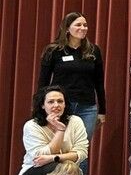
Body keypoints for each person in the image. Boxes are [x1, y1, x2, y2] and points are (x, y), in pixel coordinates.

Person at [19, 86, 93, 175]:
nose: (56, 105)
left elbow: (81, 153)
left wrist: (54, 158)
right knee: (54, 167)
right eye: (51, 102)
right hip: (34, 172)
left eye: (60, 101)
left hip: (68, 173)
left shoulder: (75, 121)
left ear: (65, 104)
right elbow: (40, 157)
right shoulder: (31, 125)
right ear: (42, 105)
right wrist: (60, 130)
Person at [39, 12, 106, 144]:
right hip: (61, 106)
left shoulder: (93, 50)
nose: (83, 28)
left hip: (87, 107)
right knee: (61, 143)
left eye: (85, 25)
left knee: (82, 146)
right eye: (78, 25)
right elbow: (43, 82)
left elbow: (99, 82)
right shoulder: (53, 51)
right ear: (67, 28)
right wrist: (40, 107)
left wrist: (102, 111)